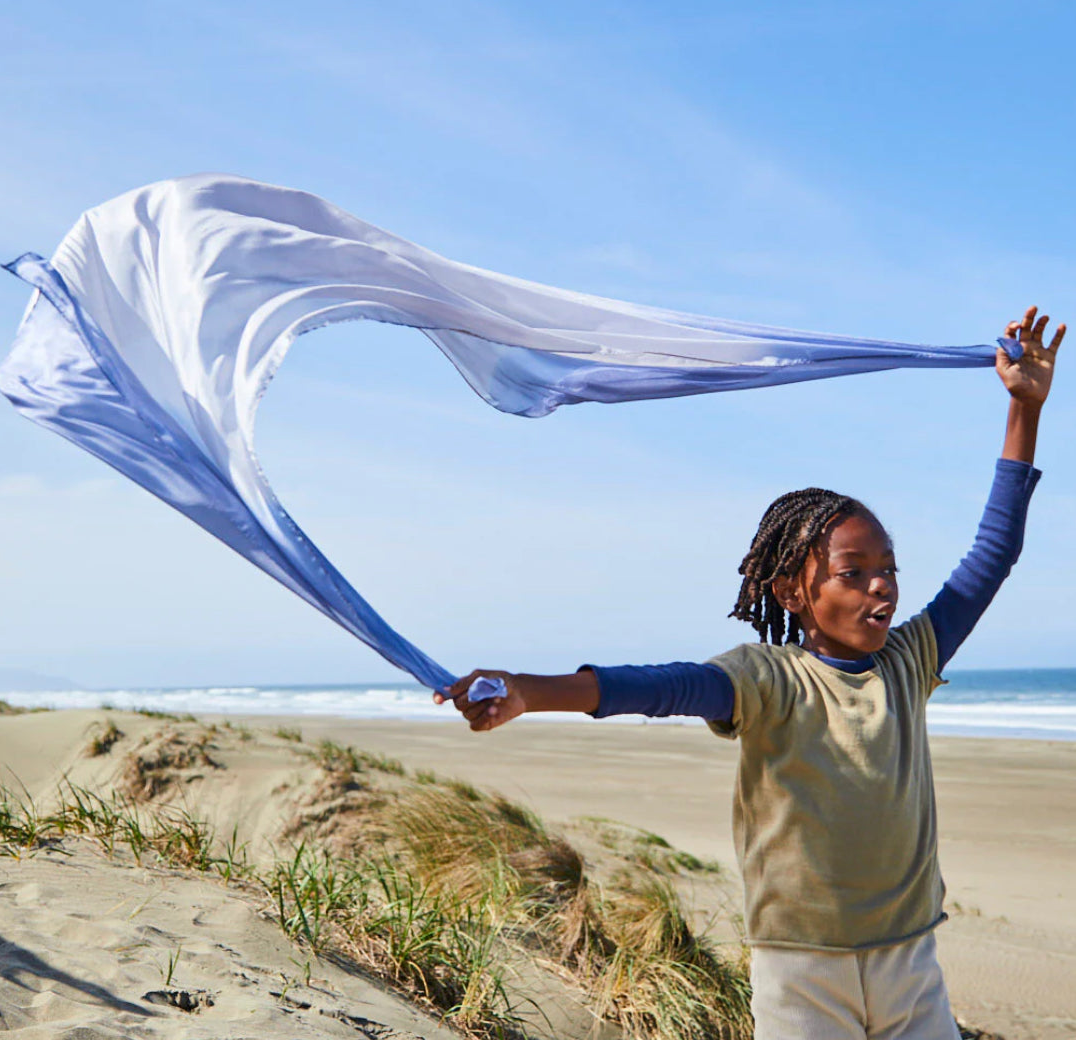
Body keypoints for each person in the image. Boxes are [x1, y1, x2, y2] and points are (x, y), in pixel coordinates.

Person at [437, 306, 1064, 1040]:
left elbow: (994, 552)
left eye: (889, 570)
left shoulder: (911, 658)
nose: (882, 587)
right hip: (803, 972)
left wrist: (1023, 409)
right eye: (854, 572)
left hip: (911, 960)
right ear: (795, 591)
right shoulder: (767, 678)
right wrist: (528, 691)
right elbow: (658, 686)